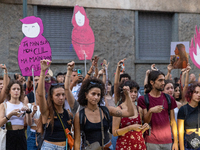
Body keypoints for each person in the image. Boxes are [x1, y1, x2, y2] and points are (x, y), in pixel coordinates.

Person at [138, 70, 178, 150]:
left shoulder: (169, 98)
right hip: (151, 141)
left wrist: (176, 142)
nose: (163, 82)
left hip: (168, 141)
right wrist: (151, 111)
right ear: (152, 82)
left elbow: (173, 121)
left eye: (163, 80)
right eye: (160, 80)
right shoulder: (143, 99)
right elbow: (145, 121)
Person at [37, 59, 71, 150]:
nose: (61, 98)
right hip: (49, 147)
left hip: (65, 147)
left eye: (63, 95)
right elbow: (40, 94)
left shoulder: (67, 113)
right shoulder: (47, 112)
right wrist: (43, 72)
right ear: (51, 97)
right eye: (57, 95)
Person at [113, 80, 149, 150]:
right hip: (124, 146)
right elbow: (114, 132)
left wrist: (144, 128)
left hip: (139, 145)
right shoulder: (118, 110)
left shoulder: (139, 109)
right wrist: (130, 128)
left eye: (135, 92)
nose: (133, 94)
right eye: (131, 91)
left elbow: (138, 131)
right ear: (125, 92)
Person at [0, 80, 32, 150]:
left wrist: (28, 112)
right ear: (9, 91)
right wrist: (10, 114)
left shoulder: (23, 104)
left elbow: (29, 123)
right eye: (14, 89)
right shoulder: (4, 105)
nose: (16, 91)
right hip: (9, 133)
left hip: (21, 134)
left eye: (18, 89)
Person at [178, 83, 200, 150]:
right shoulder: (183, 109)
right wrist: (182, 148)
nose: (199, 95)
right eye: (196, 92)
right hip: (189, 144)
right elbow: (181, 132)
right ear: (190, 93)